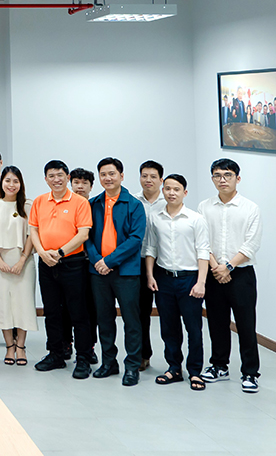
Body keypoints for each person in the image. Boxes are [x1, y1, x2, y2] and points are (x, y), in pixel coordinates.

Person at [198, 158, 262, 393]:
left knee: (246, 324)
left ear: (238, 178)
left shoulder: (250, 208)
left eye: (227, 175)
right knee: (216, 322)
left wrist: (229, 267)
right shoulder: (204, 206)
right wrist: (217, 267)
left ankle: (250, 372)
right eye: (217, 175)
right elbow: (202, 241)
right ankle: (219, 366)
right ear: (212, 178)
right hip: (215, 273)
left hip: (241, 274)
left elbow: (251, 244)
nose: (222, 179)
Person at [143, 174, 210, 391]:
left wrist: (201, 283)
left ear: (185, 193)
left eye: (177, 189)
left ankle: (195, 372)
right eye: (168, 189)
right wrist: (150, 275)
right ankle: (174, 368)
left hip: (189, 279)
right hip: (163, 279)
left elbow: (203, 251)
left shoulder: (195, 219)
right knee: (168, 327)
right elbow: (151, 248)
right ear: (163, 191)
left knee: (193, 328)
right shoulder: (155, 217)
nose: (172, 193)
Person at [84, 157, 146, 387]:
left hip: (126, 272)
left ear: (121, 175)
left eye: (112, 174)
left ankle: (132, 366)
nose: (107, 178)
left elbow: (135, 239)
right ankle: (109, 362)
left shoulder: (134, 204)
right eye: (103, 174)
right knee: (104, 318)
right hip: (98, 272)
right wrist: (97, 260)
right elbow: (87, 236)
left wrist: (109, 261)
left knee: (131, 320)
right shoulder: (94, 203)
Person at [28, 160, 93, 377]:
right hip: (46, 263)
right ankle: (56, 354)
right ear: (46, 179)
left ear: (67, 177)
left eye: (60, 175)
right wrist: (43, 253)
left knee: (78, 312)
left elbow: (83, 234)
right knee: (52, 311)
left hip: (72, 264)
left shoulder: (79, 203)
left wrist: (60, 253)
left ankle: (83, 357)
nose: (56, 179)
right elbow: (33, 231)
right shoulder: (39, 202)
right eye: (51, 176)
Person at [0, 166, 37, 367]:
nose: (11, 185)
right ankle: (9, 346)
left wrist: (22, 259)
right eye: (7, 180)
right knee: (3, 303)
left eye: (15, 181)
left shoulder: (28, 205)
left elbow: (32, 235)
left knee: (23, 302)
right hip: (0, 260)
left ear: (21, 183)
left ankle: (21, 346)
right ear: (2, 183)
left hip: (24, 261)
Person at [65, 168, 98, 363]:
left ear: (91, 187)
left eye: (84, 183)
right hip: (70, 263)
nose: (80, 186)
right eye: (76, 182)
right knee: (67, 307)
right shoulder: (67, 205)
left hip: (91, 264)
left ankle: (89, 346)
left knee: (89, 308)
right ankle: (66, 343)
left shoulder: (95, 206)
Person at [137, 160, 166, 371]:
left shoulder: (170, 201)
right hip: (138, 263)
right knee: (141, 313)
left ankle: (174, 361)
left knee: (168, 314)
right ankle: (142, 355)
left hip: (164, 263)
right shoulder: (132, 201)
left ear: (161, 180)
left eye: (153, 176)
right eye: (144, 176)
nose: (148, 180)